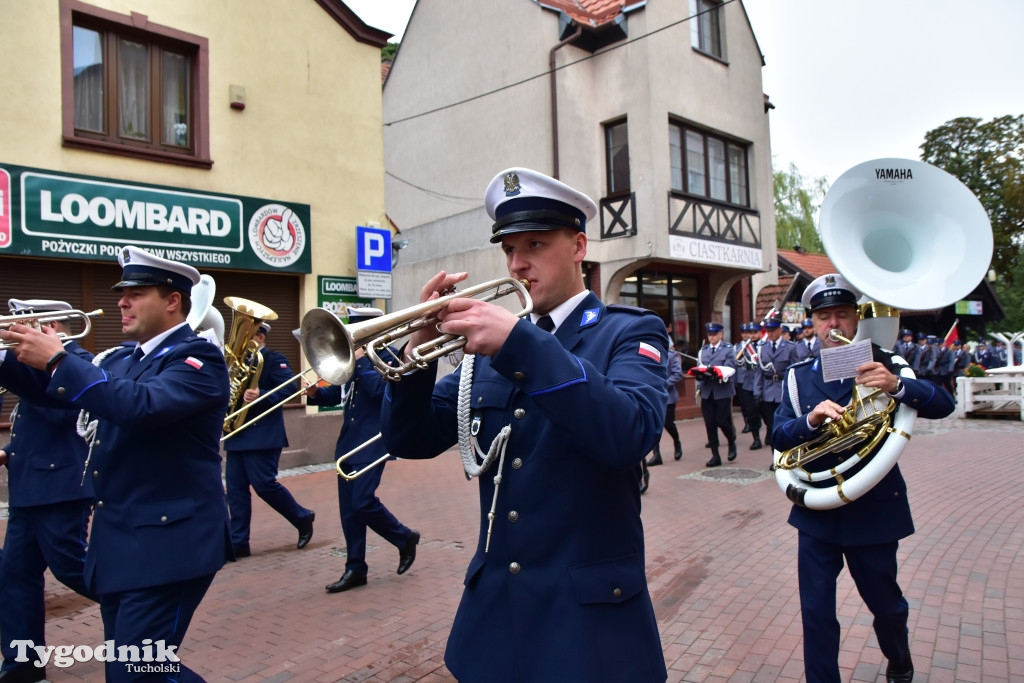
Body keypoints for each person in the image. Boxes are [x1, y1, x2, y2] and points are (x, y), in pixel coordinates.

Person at [379, 167, 669, 682]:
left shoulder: (630, 331)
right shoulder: (492, 349)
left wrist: (521, 343)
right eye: (508, 250)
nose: (517, 265)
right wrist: (417, 351)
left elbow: (631, 433)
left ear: (579, 246)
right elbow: (412, 437)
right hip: (496, 619)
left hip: (588, 628)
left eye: (535, 244)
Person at [0, 246, 231, 682]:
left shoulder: (198, 360)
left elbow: (138, 404)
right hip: (123, 543)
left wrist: (57, 357)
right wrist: (10, 357)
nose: (121, 301)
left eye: (136, 292)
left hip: (170, 541)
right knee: (137, 671)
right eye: (121, 292)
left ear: (172, 301)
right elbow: (52, 391)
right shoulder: (122, 358)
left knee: (135, 672)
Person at [772, 273, 955, 683]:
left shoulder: (885, 362)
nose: (833, 325)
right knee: (816, 615)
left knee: (886, 605)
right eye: (823, 317)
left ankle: (899, 659)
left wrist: (897, 386)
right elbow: (778, 436)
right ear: (812, 323)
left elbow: (944, 404)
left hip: (873, 506)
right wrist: (810, 420)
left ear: (856, 319)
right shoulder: (798, 376)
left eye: (841, 315)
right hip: (818, 512)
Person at [0, 299, 97, 683]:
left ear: (53, 325)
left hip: (60, 488)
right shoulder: (34, 366)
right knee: (14, 574)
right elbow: (40, 422)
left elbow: (58, 405)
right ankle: (22, 664)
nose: (18, 333)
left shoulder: (79, 360)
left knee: (72, 568)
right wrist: (8, 453)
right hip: (30, 487)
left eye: (27, 324)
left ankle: (142, 613)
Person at [305, 306, 419, 593]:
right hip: (348, 443)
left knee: (362, 501)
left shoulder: (389, 358)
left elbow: (383, 394)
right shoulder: (353, 362)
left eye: (353, 334)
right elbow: (342, 394)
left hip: (375, 441)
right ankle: (355, 567)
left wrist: (363, 362)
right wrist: (317, 393)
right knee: (349, 511)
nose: (350, 343)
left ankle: (403, 537)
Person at [223, 322, 315, 558]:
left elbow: (289, 389)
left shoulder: (274, 359)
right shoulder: (238, 362)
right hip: (238, 432)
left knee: (264, 485)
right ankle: (239, 541)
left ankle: (302, 517)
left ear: (260, 337)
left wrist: (260, 395)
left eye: (249, 335)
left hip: (263, 434)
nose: (244, 341)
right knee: (235, 490)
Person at [689, 321, 737, 467]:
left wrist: (715, 371)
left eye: (714, 334)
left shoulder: (728, 349)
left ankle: (731, 441)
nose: (711, 337)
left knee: (723, 421)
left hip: (722, 391)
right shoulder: (703, 351)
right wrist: (700, 375)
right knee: (710, 424)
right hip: (707, 391)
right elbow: (700, 367)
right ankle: (715, 456)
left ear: (721, 335)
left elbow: (730, 367)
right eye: (709, 335)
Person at [753, 317, 799, 458]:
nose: (771, 333)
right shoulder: (762, 348)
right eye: (768, 331)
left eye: (773, 330)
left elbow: (795, 371)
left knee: (782, 425)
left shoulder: (790, 347)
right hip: (767, 391)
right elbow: (759, 372)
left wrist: (794, 391)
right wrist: (757, 391)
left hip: (783, 390)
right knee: (771, 425)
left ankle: (785, 455)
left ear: (780, 330)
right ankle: (776, 456)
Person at [646, 326, 683, 466]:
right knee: (654, 425)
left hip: (668, 396)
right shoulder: (651, 355)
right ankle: (657, 455)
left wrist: (663, 384)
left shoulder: (671, 355)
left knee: (668, 424)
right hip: (654, 397)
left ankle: (677, 442)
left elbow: (677, 375)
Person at [734, 322, 763, 451]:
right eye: (750, 333)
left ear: (760, 333)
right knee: (750, 412)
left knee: (765, 412)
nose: (752, 335)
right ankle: (756, 438)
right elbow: (738, 362)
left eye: (755, 333)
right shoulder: (745, 347)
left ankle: (768, 432)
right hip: (748, 382)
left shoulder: (764, 346)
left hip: (762, 384)